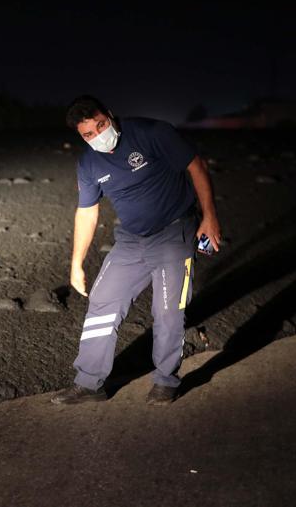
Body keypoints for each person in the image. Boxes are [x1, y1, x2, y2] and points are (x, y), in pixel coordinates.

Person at [51, 95, 221, 406]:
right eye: (88, 133)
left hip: (173, 232)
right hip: (130, 240)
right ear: (80, 136)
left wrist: (209, 216)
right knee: (102, 301)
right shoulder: (88, 163)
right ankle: (89, 383)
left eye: (101, 125)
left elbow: (196, 166)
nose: (98, 135)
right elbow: (87, 212)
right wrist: (76, 264)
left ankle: (166, 380)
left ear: (111, 116)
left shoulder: (152, 133)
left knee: (168, 310)